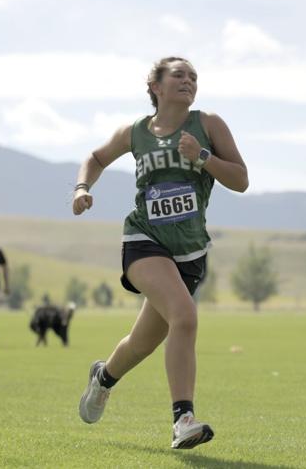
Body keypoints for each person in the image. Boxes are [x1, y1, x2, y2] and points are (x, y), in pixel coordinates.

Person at [72, 57, 248, 450]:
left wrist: (202, 156)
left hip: (189, 253)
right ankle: (182, 420)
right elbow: (96, 158)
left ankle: (103, 378)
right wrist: (82, 188)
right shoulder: (136, 132)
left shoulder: (209, 125)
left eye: (193, 77)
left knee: (141, 343)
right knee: (185, 316)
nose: (188, 81)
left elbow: (241, 180)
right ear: (155, 86)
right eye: (179, 75)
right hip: (143, 240)